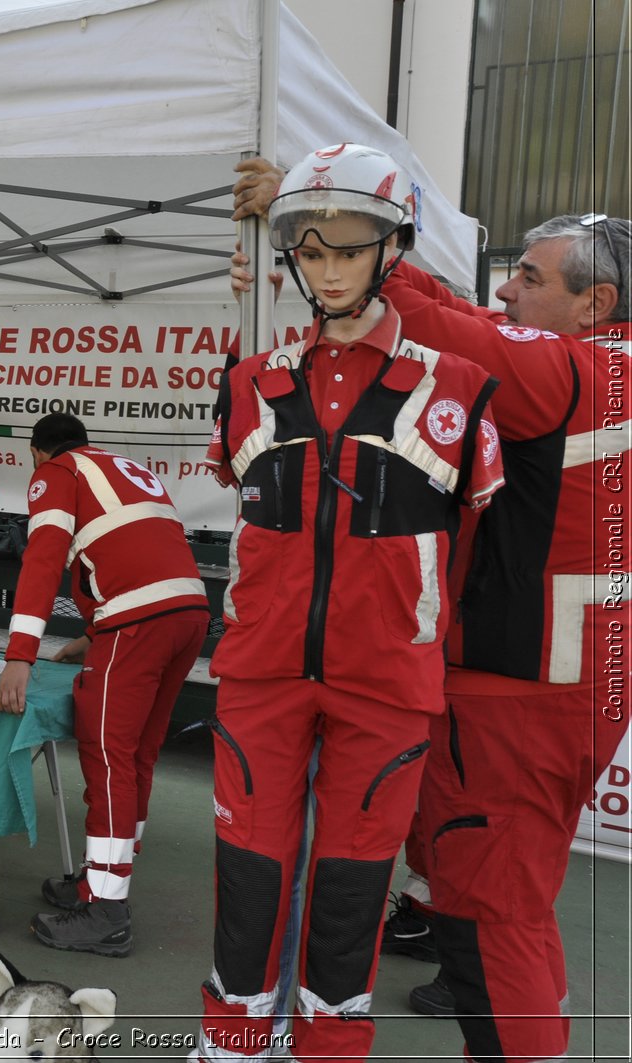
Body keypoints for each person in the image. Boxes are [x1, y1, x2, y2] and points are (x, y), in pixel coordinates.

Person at [238, 159, 632, 1059]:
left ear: (596, 303)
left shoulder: (581, 375)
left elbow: (441, 328)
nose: (507, 287)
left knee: (493, 914)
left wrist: (326, 223)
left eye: (530, 277)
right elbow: (476, 321)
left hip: (520, 696)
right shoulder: (596, 365)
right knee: (503, 904)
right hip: (553, 685)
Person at [191, 144, 505, 1063]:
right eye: (313, 248)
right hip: (260, 677)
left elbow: (472, 551)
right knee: (249, 870)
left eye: (351, 247)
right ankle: (233, 1039)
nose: (329, 268)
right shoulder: (249, 387)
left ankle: (330, 1048)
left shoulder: (456, 389)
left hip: (389, 686)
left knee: (353, 885)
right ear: (292, 256)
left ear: (392, 249)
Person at [0, 412, 208, 957]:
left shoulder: (57, 472)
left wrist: (20, 656)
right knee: (137, 753)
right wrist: (93, 635)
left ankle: (107, 909)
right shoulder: (123, 467)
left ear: (37, 454)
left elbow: (43, 561)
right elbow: (134, 553)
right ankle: (104, 876)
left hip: (137, 623)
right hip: (187, 615)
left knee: (108, 755)